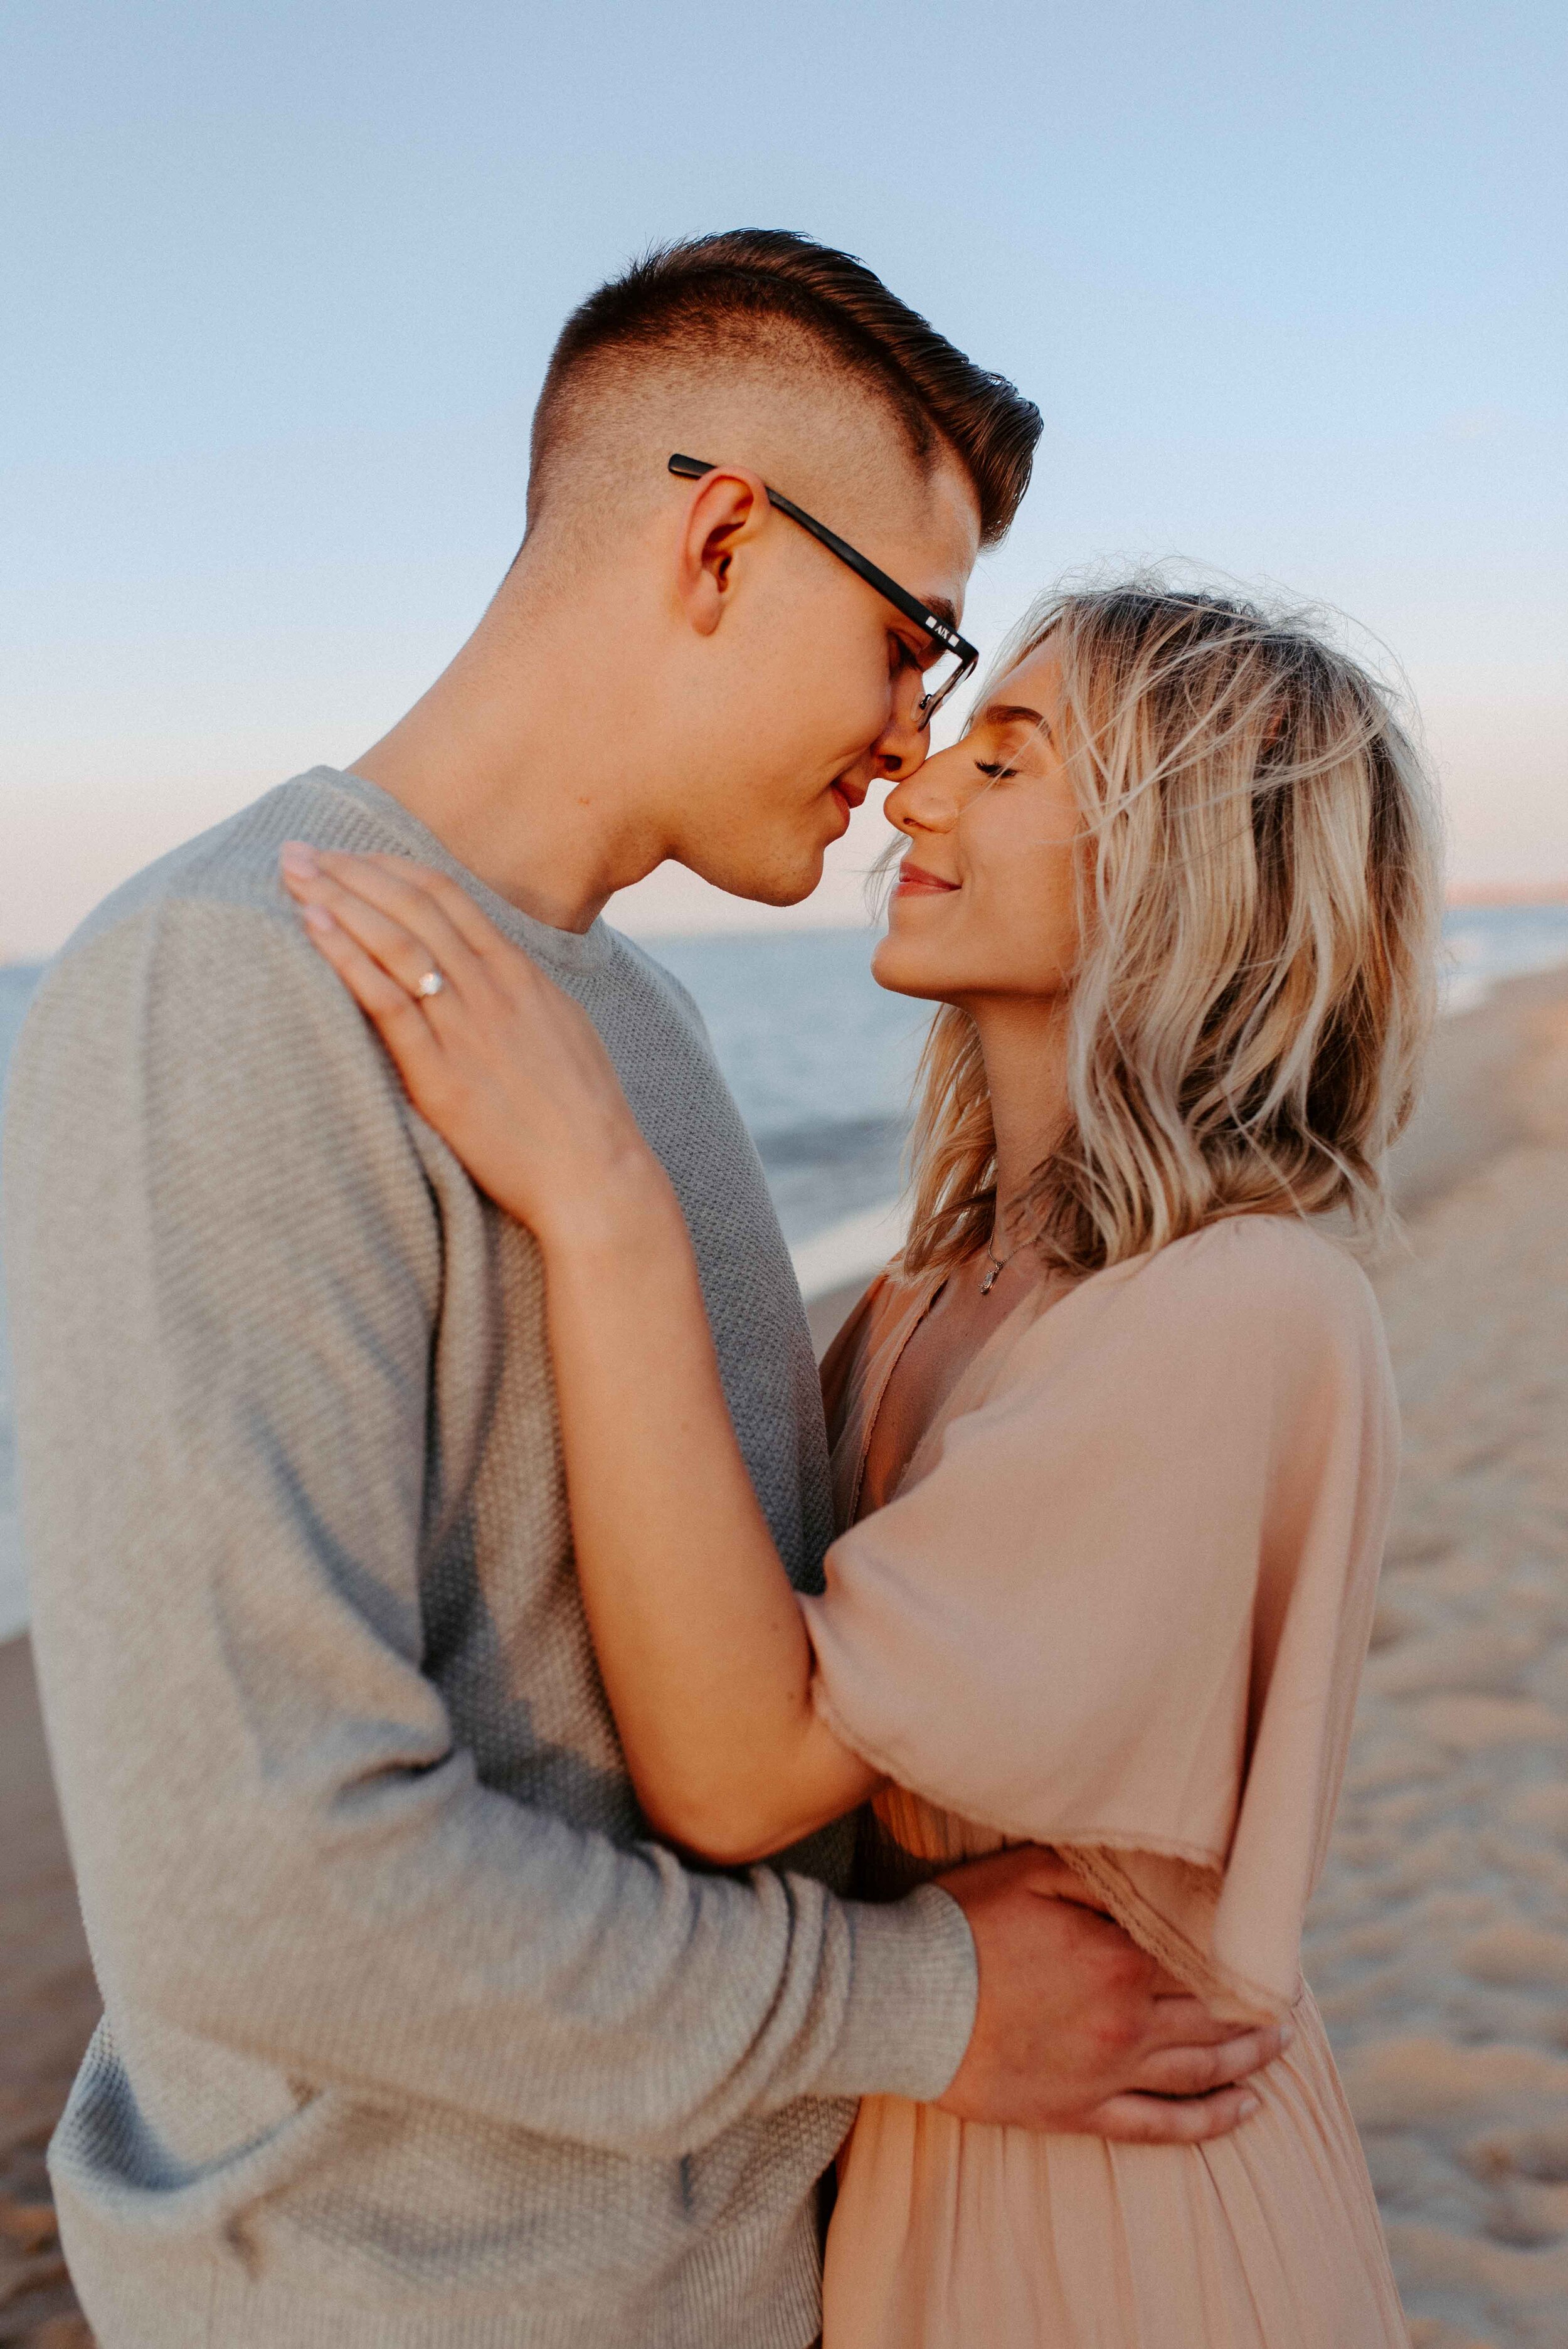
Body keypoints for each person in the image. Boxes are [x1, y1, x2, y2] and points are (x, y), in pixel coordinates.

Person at [1, 236, 1280, 2349]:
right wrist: (923, 2001)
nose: (908, 741)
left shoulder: (652, 1029)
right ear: (717, 539)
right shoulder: (220, 986)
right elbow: (262, 1890)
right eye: (910, 642)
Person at [282, 580, 1440, 2345]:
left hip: (1117, 2224)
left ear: (1183, 848)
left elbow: (746, 1769)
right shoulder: (927, 1293)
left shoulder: (1245, 1307)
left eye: (1007, 753)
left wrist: (602, 1200)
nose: (909, 791)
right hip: (917, 2156)